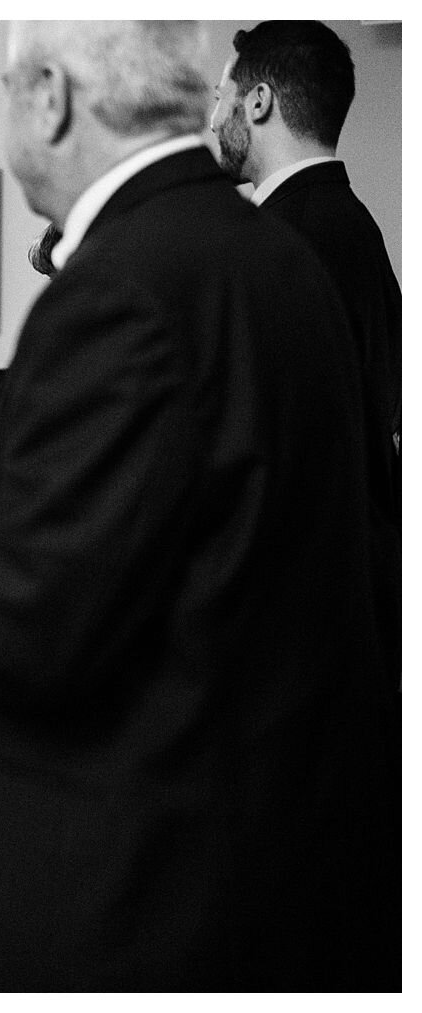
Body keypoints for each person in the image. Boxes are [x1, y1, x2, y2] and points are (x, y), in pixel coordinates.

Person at [0, 21, 397, 989]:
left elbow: (21, 637)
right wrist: (21, 506)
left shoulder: (118, 289)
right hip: (259, 846)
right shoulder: (268, 253)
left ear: (51, 97)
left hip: (121, 895)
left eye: (6, 90)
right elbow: (208, 506)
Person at [210, 19, 401, 700]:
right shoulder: (352, 225)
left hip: (296, 617)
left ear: (257, 103)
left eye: (220, 98)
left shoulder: (278, 243)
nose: (213, 119)